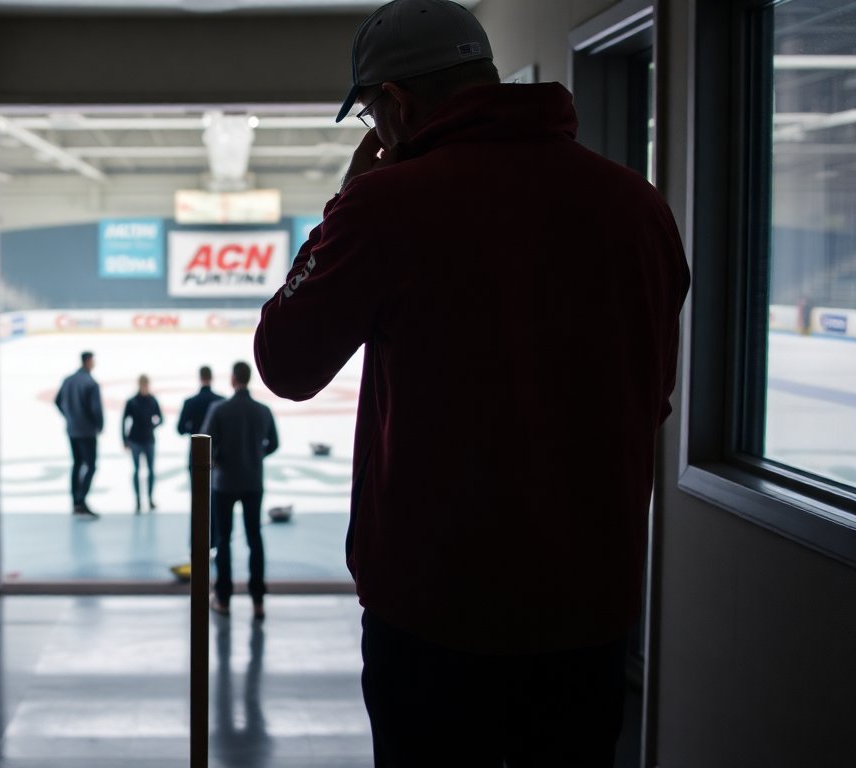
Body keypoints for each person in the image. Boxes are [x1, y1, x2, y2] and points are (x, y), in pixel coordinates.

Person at [252, 1, 690, 765]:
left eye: (371, 120)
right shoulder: (638, 205)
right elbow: (650, 397)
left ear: (394, 104)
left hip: (435, 614)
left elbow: (286, 363)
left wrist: (341, 207)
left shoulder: (388, 205)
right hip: (590, 610)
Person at [201, 361, 278, 620]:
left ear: (233, 379)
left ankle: (223, 598)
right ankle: (258, 601)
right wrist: (256, 455)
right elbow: (274, 443)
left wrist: (219, 460)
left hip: (224, 483)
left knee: (223, 540)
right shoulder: (262, 410)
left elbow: (205, 443)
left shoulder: (220, 409)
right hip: (253, 481)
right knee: (255, 538)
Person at [170, 366, 227, 580]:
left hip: (195, 457)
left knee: (198, 502)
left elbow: (180, 428)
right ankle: (214, 542)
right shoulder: (221, 401)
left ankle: (197, 544)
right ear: (211, 378)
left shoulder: (190, 402)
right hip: (216, 458)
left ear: (199, 377)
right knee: (215, 502)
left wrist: (193, 429)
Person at [55, 351, 104, 519]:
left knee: (77, 464)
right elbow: (96, 409)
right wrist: (99, 425)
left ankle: (75, 501)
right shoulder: (91, 383)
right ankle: (81, 499)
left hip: (72, 429)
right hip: (87, 431)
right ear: (89, 361)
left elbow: (57, 401)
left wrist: (69, 416)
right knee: (90, 465)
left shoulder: (68, 380)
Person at [122, 374, 164, 513]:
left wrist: (152, 426)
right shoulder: (132, 401)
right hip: (135, 440)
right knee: (136, 470)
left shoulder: (152, 400)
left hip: (149, 439)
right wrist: (125, 439)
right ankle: (138, 500)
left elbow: (160, 418)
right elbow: (124, 420)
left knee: (151, 470)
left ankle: (150, 498)